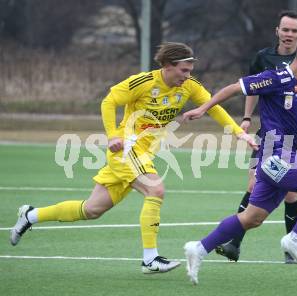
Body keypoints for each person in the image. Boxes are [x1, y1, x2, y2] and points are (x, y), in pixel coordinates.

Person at [9, 42, 255, 274]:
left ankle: (30, 215)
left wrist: (238, 132)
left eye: (190, 71)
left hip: (143, 154)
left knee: (92, 209)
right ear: (167, 66)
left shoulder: (188, 86)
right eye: (184, 70)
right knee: (155, 190)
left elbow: (213, 106)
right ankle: (150, 258)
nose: (188, 76)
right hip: (126, 150)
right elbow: (109, 101)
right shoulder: (144, 82)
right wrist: (112, 135)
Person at [182, 36, 297, 285]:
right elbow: (235, 88)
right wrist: (203, 108)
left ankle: (199, 248)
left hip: (286, 155)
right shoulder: (275, 78)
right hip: (273, 154)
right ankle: (295, 239)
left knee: (251, 218)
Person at [215, 10, 297, 263]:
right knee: (253, 184)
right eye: (285, 29)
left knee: (290, 191)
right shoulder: (264, 57)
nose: (289, 34)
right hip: (269, 132)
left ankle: (291, 247)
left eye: (294, 30)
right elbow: (251, 88)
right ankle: (234, 243)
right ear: (277, 31)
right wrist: (247, 118)